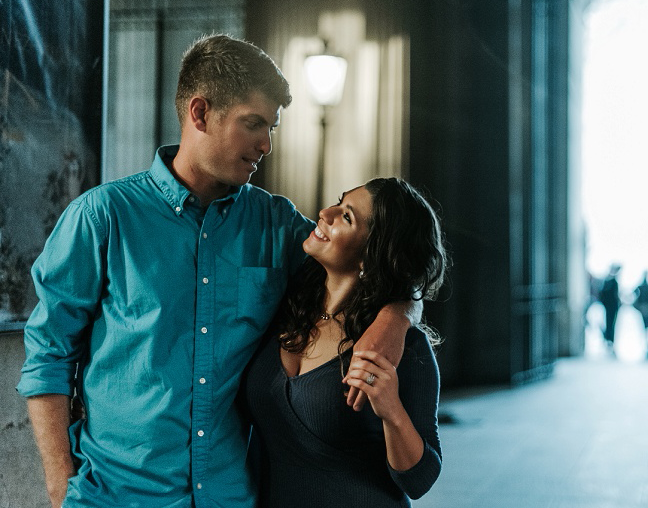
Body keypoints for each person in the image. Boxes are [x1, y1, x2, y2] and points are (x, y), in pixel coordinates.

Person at [17, 35, 415, 507]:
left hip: (228, 497)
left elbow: (371, 264)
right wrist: (61, 485)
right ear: (200, 113)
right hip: (116, 496)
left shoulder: (277, 225)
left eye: (271, 127)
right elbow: (49, 355)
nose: (266, 144)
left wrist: (399, 314)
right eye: (253, 124)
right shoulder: (103, 217)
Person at [244, 178, 447, 506]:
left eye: (347, 217)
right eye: (339, 202)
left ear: (371, 256)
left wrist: (391, 410)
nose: (325, 212)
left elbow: (420, 480)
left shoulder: (405, 348)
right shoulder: (285, 302)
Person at [599, 264, 622, 354]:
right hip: (610, 307)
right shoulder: (611, 282)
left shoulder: (609, 281)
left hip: (611, 307)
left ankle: (610, 340)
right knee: (610, 324)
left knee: (611, 324)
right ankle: (609, 340)